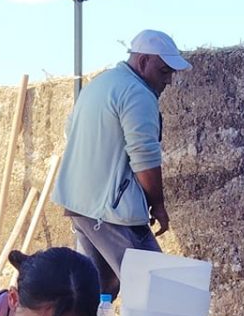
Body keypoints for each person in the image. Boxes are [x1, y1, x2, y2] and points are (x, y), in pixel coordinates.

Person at [53, 30, 188, 295]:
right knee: (158, 291)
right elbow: (144, 157)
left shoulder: (100, 84)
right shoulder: (138, 93)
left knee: (94, 294)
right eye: (164, 71)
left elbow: (72, 132)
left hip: (81, 206)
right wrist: (158, 205)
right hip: (112, 211)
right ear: (142, 62)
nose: (169, 81)